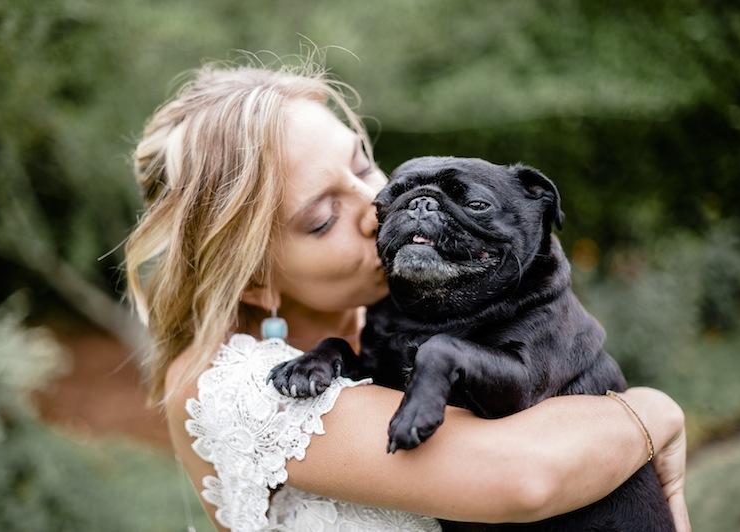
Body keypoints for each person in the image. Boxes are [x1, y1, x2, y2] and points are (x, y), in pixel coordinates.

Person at [123, 57, 691, 532]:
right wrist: (652, 413)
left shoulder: (398, 314)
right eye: (324, 218)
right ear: (255, 278)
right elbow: (524, 476)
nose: (374, 207)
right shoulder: (234, 389)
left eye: (364, 165)